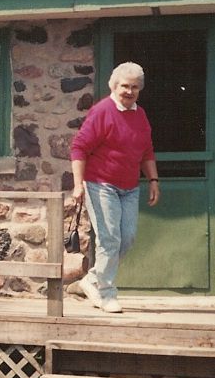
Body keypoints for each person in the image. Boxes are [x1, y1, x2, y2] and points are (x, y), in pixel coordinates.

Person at [69, 62, 160, 313]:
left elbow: (147, 151)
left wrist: (153, 180)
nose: (129, 91)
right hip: (101, 184)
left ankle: (91, 280)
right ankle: (106, 293)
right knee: (109, 239)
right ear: (114, 86)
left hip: (130, 187)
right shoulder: (102, 111)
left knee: (126, 239)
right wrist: (78, 185)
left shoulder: (140, 115)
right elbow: (79, 148)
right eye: (124, 86)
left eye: (134, 87)